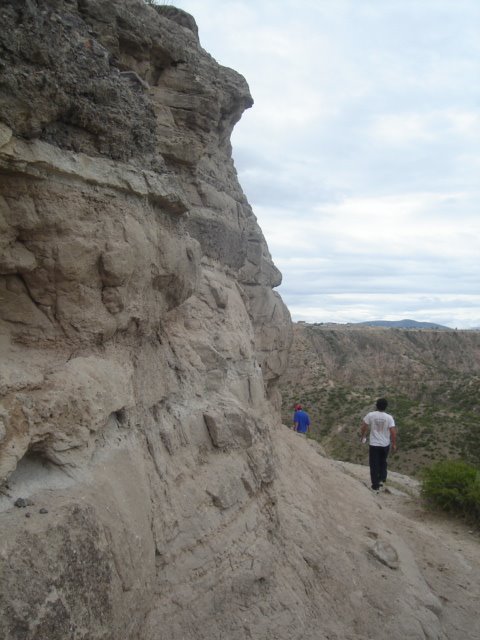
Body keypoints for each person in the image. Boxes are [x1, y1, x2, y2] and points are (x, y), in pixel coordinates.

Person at [360, 398, 397, 493]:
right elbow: (393, 431)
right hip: (385, 444)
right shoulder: (389, 417)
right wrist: (394, 443)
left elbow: (364, 426)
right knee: (383, 462)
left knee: (374, 464)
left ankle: (375, 485)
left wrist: (363, 436)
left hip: (374, 444)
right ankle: (382, 480)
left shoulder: (371, 415)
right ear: (386, 406)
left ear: (376, 405)